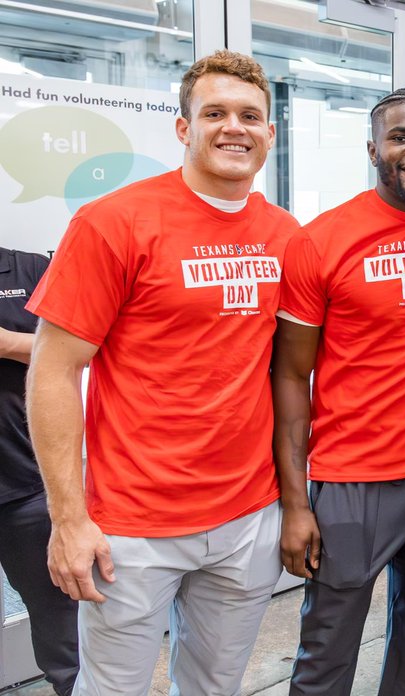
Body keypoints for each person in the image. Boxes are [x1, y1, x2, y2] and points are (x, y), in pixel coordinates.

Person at [24, 50, 297, 694]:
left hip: (247, 519)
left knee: (214, 687)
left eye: (250, 116)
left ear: (270, 135)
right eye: (215, 113)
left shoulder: (287, 234)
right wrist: (68, 519)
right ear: (183, 129)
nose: (235, 127)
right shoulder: (113, 222)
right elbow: (53, 371)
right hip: (133, 525)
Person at [273, 88, 405, 696]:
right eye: (401, 137)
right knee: (326, 654)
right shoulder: (321, 241)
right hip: (351, 482)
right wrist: (294, 504)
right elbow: (291, 377)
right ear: (374, 149)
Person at [0, 246, 78, 696]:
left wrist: (8, 342)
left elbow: (85, 347)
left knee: (60, 626)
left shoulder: (31, 268)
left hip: (27, 485)